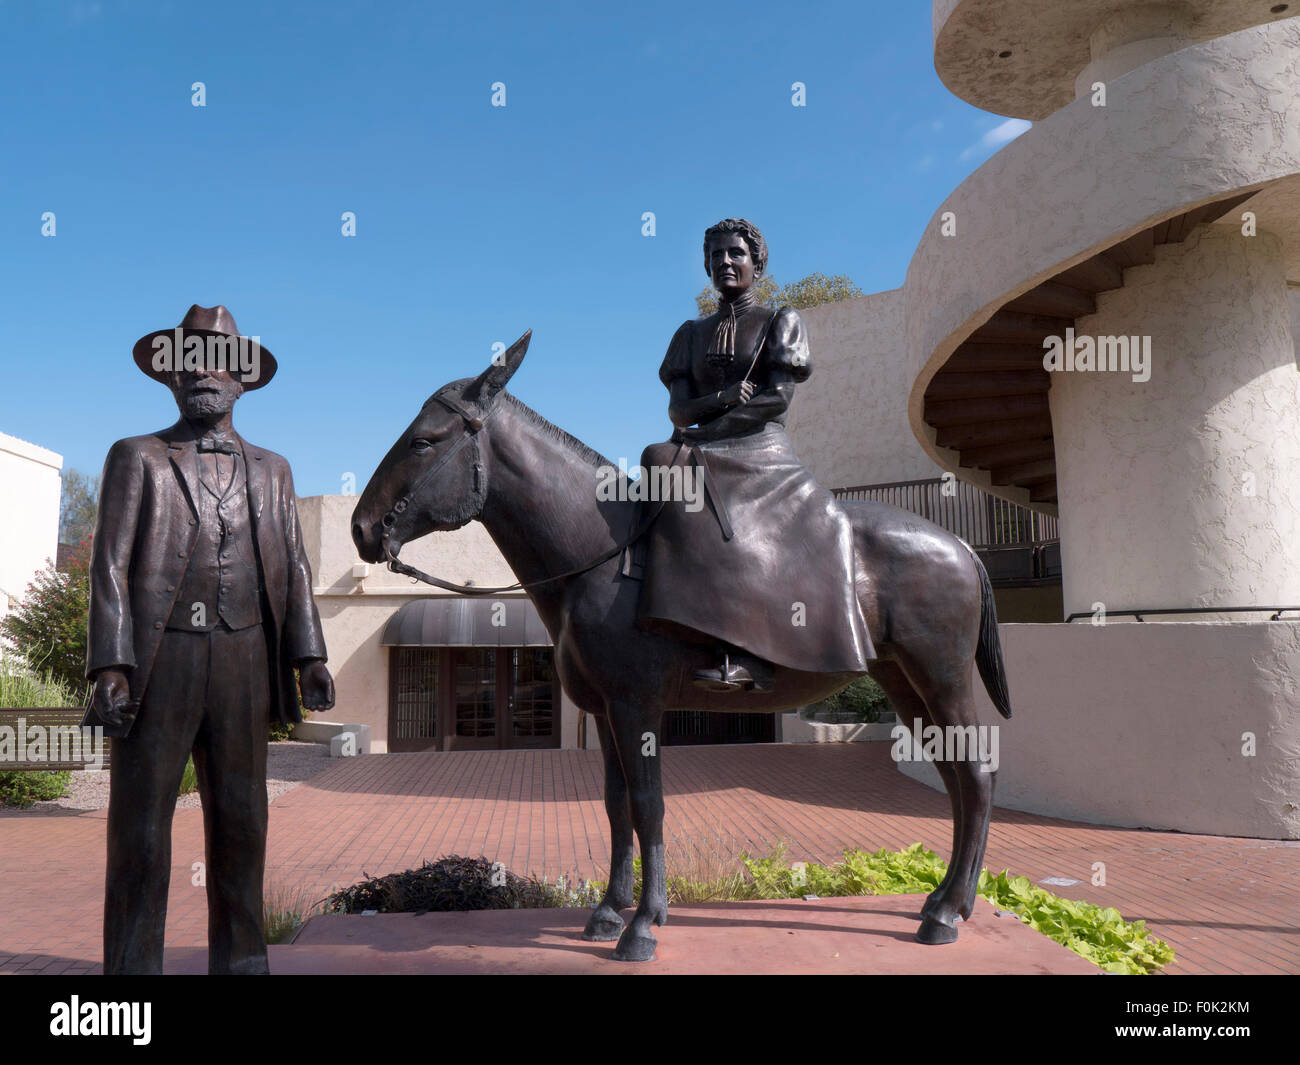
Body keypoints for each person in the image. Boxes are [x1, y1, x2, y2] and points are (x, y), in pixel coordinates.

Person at [85, 304, 335, 974]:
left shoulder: (274, 470)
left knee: (244, 819)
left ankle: (244, 959)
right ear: (169, 374)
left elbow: (294, 564)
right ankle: (132, 971)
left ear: (243, 380)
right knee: (140, 828)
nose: (203, 370)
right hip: (158, 658)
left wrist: (308, 655)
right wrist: (111, 662)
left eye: (219, 360)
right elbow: (108, 563)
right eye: (189, 358)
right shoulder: (135, 457)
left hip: (245, 660)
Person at [635, 219, 874, 692]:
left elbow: (776, 400)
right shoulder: (689, 334)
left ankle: (741, 650)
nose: (725, 261)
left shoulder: (779, 321)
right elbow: (679, 411)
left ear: (756, 264)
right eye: (716, 255)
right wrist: (721, 402)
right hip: (704, 442)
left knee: (723, 512)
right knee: (655, 459)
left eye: (736, 254)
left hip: (760, 447)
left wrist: (710, 433)